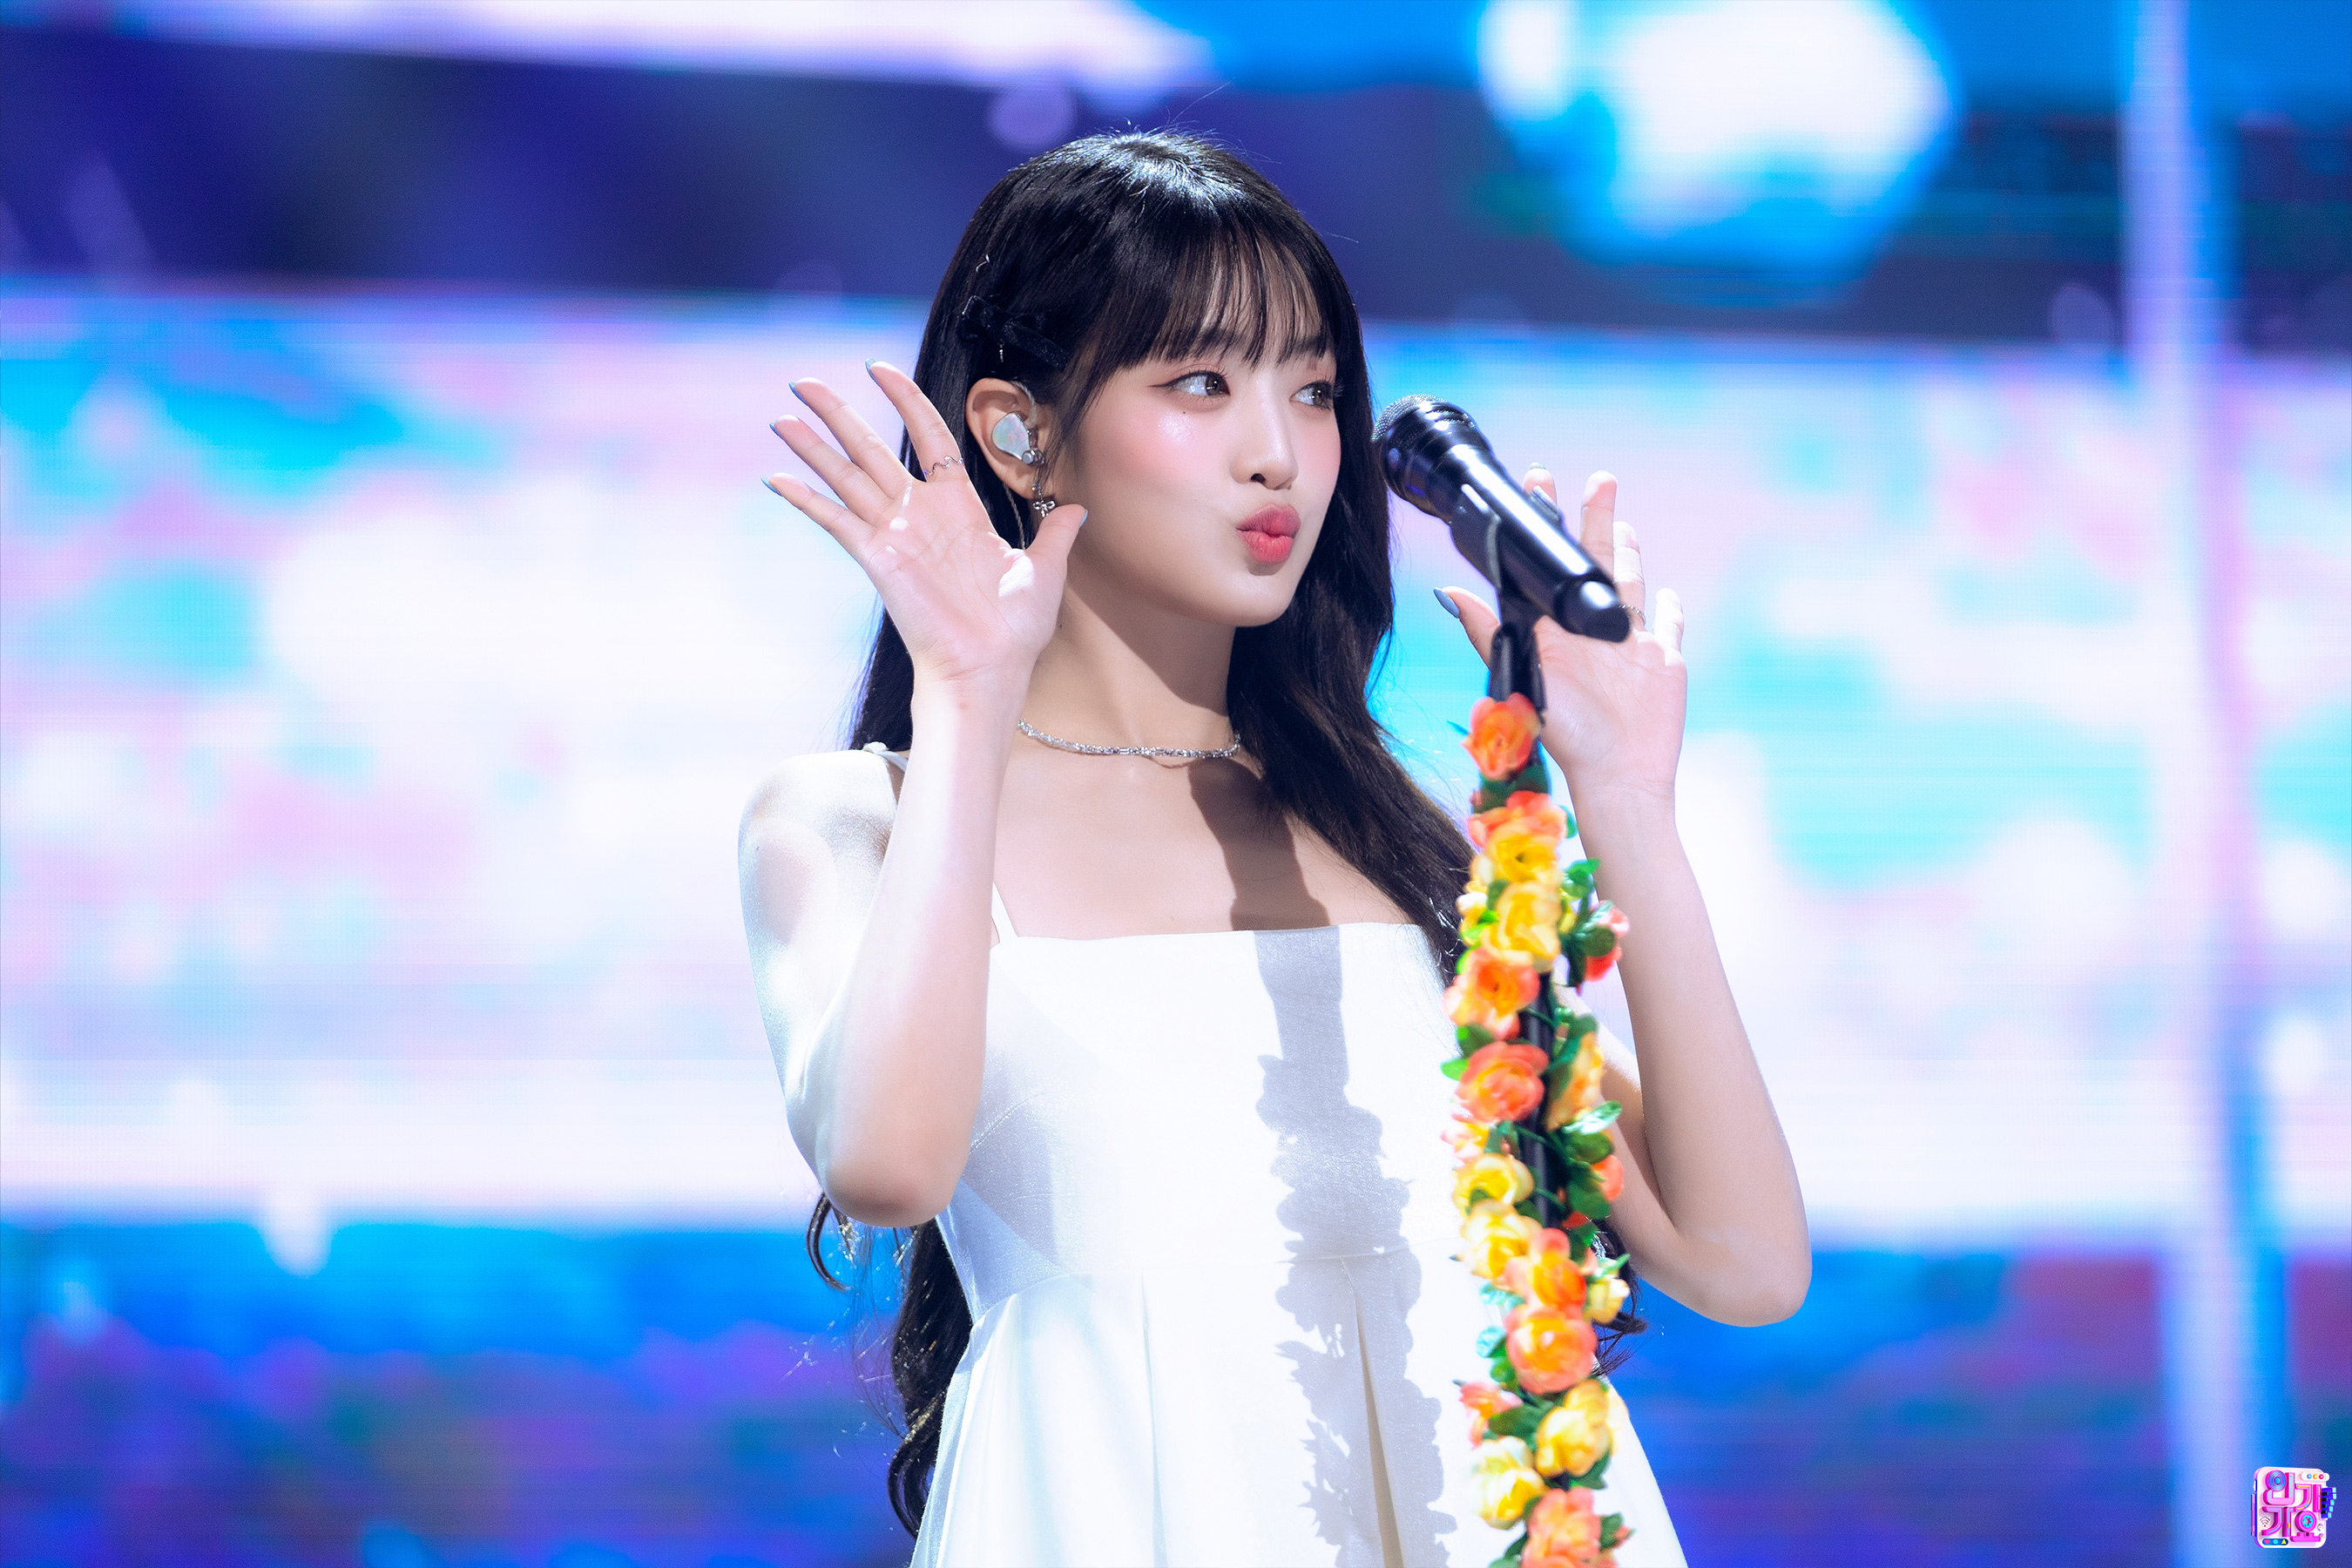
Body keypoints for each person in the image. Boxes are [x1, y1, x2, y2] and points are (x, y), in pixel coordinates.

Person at [740, 131, 1808, 1567]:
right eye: (1200, 383)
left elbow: (1743, 1261)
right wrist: (970, 693)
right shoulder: (855, 816)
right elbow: (889, 1165)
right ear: (1017, 432)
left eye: (1311, 390)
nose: (1278, 453)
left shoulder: (1383, 832)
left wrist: (1627, 806)